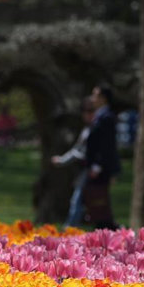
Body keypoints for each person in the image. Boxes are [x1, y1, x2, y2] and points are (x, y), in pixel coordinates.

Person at [52, 96, 96, 228]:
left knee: (78, 201)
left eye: (90, 111)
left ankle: (69, 231)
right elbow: (77, 149)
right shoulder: (87, 129)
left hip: (91, 170)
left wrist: (62, 160)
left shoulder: (94, 129)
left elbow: (80, 152)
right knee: (80, 201)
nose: (86, 114)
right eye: (84, 111)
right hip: (85, 170)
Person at [83, 83, 120, 230]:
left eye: (95, 95)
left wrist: (97, 165)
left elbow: (106, 146)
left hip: (100, 168)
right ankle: (105, 232)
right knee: (96, 203)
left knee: (99, 202)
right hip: (95, 167)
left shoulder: (107, 118)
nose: (92, 98)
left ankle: (111, 232)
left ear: (104, 98)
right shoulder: (100, 116)